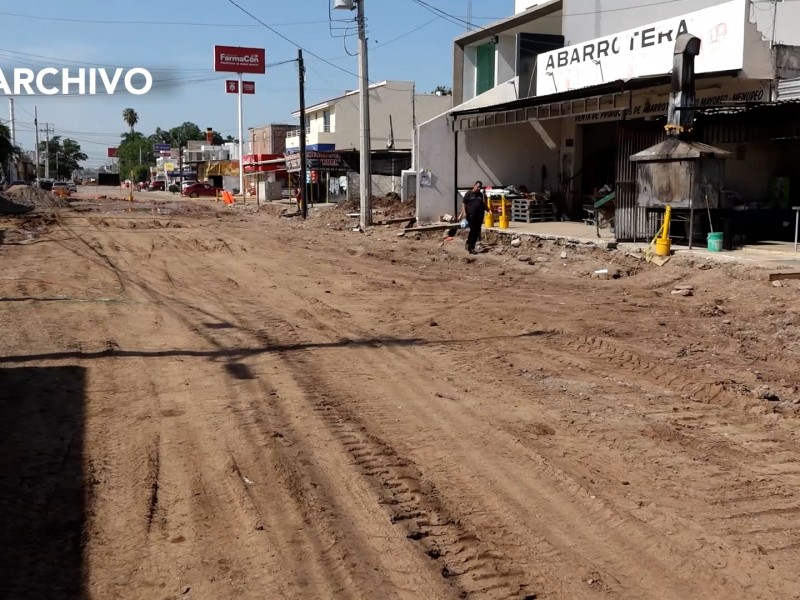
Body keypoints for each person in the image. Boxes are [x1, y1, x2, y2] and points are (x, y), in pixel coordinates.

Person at [459, 180, 487, 254]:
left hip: (479, 216)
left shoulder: (480, 195)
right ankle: (471, 247)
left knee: (477, 231)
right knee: (473, 230)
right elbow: (463, 203)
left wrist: (488, 209)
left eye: (480, 188)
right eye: (478, 187)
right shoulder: (468, 194)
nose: (478, 189)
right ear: (474, 186)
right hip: (471, 216)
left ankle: (469, 243)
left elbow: (483, 204)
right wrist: (464, 213)